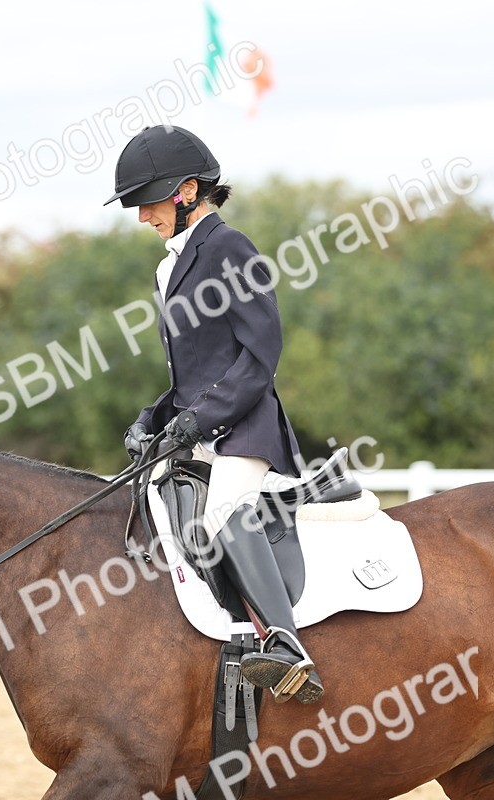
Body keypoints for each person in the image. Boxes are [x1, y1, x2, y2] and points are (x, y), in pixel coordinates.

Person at [106, 126, 322, 704]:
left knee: (223, 511)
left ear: (186, 192)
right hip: (201, 427)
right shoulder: (170, 266)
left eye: (148, 203)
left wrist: (200, 421)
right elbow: (194, 374)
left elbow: (260, 358)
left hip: (246, 430)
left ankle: (287, 647)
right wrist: (153, 419)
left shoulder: (230, 248)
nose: (142, 217)